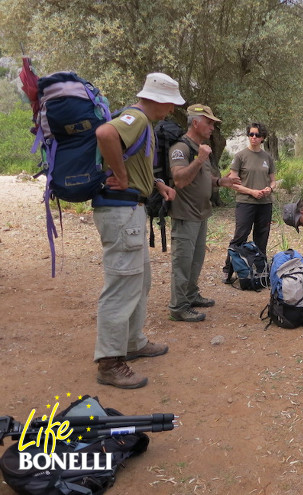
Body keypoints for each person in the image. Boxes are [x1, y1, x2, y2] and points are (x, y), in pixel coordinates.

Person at [93, 73, 184, 389]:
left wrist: (155, 184)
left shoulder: (142, 122)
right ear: (158, 98)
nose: (171, 110)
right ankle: (109, 362)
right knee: (122, 283)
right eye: (170, 103)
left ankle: (132, 342)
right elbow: (105, 134)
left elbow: (135, 162)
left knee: (139, 279)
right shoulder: (136, 117)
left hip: (130, 209)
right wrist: (120, 174)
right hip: (120, 210)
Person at [168, 104, 240, 322]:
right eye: (208, 123)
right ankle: (178, 307)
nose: (212, 127)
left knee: (196, 260)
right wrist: (199, 159)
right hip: (185, 214)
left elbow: (202, 178)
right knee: (182, 262)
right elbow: (179, 179)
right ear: (196, 123)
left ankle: (190, 295)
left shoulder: (202, 148)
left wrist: (220, 181)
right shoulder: (181, 149)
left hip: (201, 214)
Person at [222, 122, 276, 283]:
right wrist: (251, 192)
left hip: (265, 203)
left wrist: (269, 189)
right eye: (251, 134)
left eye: (257, 135)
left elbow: (273, 181)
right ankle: (228, 269)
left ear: (263, 138)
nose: (253, 137)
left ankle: (260, 271)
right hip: (245, 202)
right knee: (240, 236)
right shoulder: (240, 156)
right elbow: (233, 182)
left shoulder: (268, 157)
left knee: (262, 237)